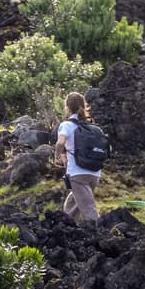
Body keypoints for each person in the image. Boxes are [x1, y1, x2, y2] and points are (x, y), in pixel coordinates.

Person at [54, 90, 104, 223]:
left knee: (89, 209)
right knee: (73, 203)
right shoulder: (94, 127)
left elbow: (60, 143)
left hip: (78, 173)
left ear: (67, 107)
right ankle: (66, 227)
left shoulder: (67, 125)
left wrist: (58, 156)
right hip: (95, 173)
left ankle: (101, 235)